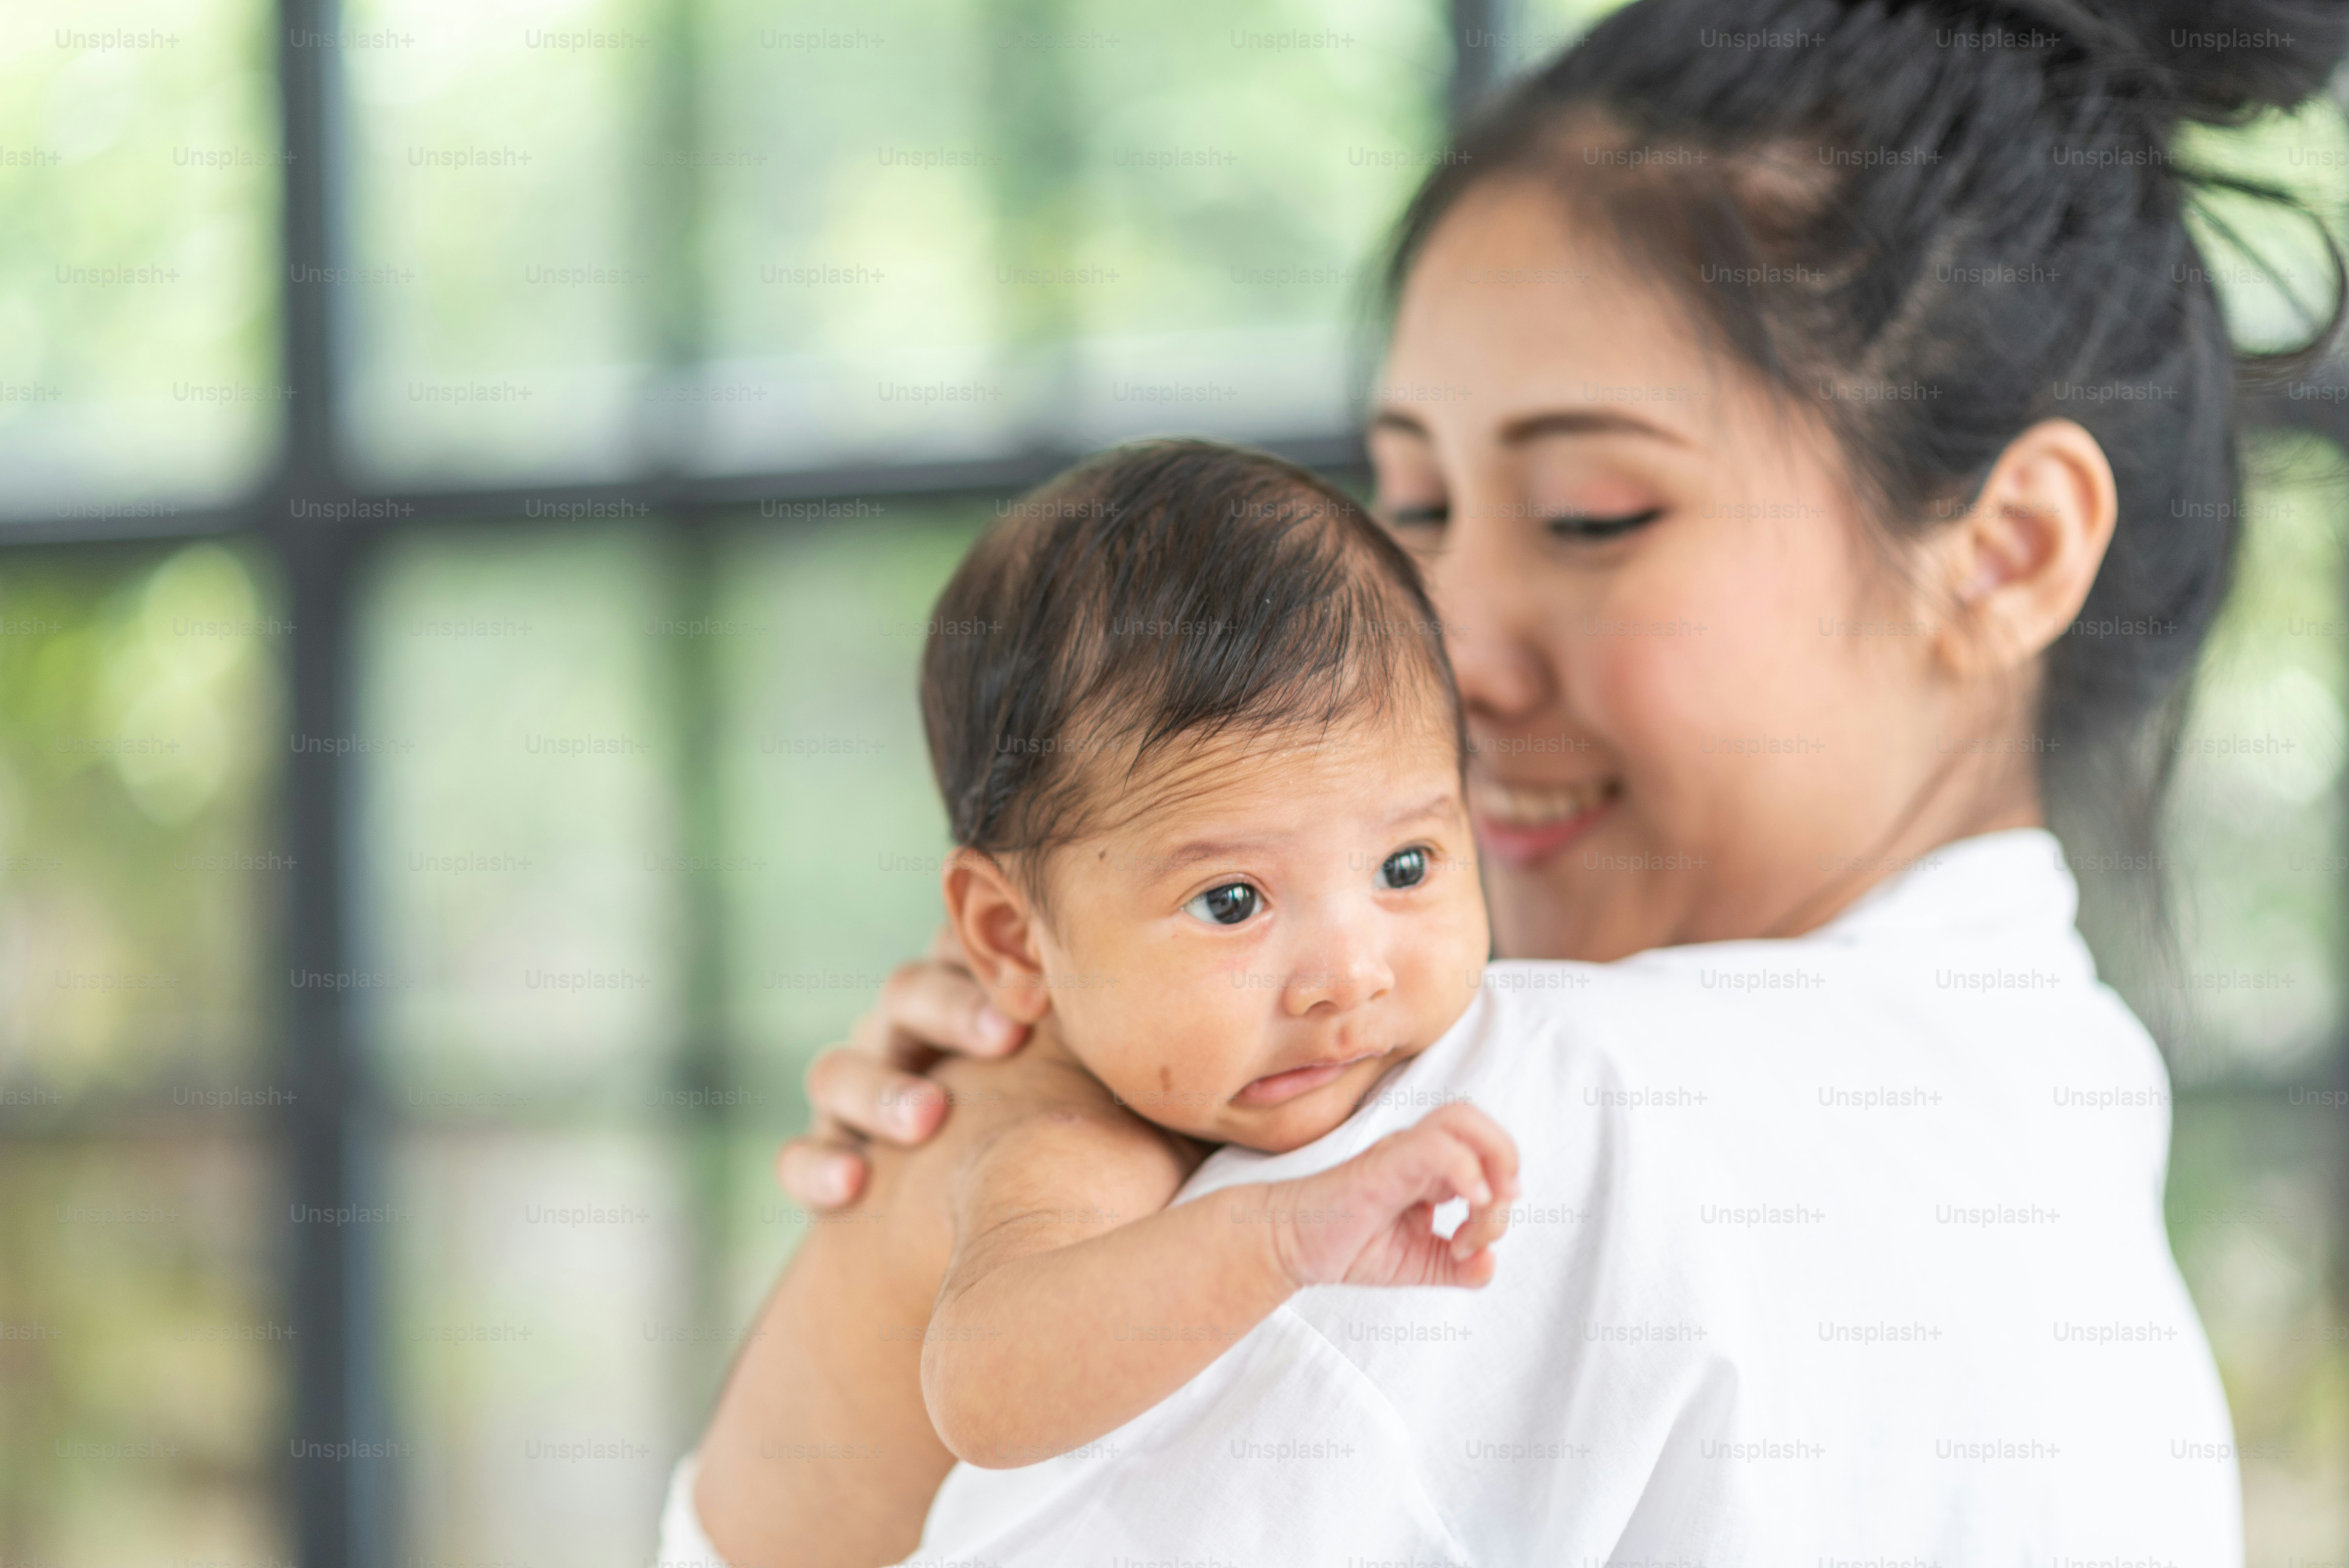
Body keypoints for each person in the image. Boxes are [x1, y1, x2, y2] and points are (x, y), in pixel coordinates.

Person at [675, 0, 2349, 1560]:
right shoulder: (2065, 1166)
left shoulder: (1506, 1138)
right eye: (1408, 508)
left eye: (1593, 516)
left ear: (2007, 551)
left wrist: (934, 1215)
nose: (1441, 655)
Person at [684, 441, 1519, 1568]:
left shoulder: (1178, 1038)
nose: (1352, 976)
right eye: (1233, 901)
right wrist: (1283, 1235)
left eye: (1406, 868)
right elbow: (986, 1388)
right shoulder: (1057, 1139)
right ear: (1008, 938)